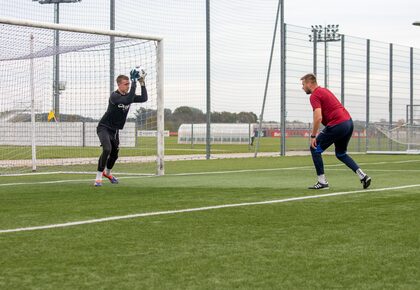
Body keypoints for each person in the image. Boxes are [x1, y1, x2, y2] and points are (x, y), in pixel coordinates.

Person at [300, 73, 371, 190]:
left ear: (309, 83)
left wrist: (313, 136)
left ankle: (322, 182)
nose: (302, 87)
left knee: (314, 148)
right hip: (348, 123)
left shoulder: (314, 95)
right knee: (341, 154)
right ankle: (363, 176)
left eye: (303, 84)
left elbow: (318, 117)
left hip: (337, 124)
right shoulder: (324, 90)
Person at [94, 69, 148, 187]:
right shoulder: (114, 96)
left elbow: (144, 98)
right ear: (119, 85)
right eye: (126, 84)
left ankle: (108, 173)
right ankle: (98, 178)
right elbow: (127, 100)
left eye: (129, 84)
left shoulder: (129, 95)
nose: (128, 86)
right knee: (107, 149)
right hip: (103, 127)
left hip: (115, 130)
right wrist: (134, 82)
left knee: (115, 154)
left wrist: (141, 83)